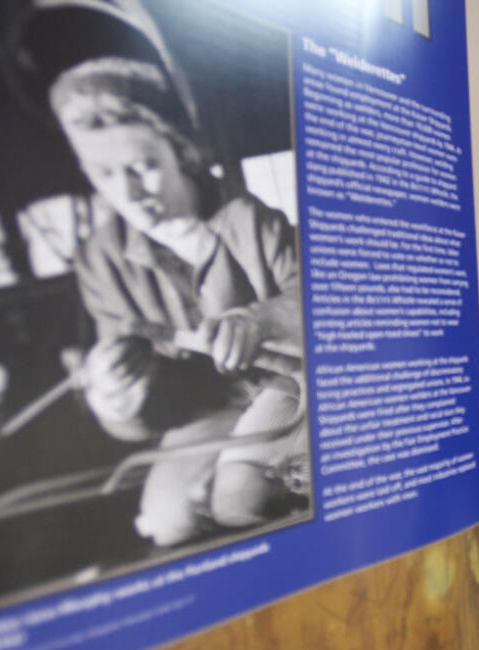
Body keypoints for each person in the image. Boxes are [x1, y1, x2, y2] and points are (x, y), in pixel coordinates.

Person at [49, 55, 307, 547]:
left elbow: (318, 305)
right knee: (167, 522)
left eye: (142, 168)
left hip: (287, 386)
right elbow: (139, 417)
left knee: (240, 496)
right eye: (103, 175)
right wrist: (118, 398)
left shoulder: (247, 219)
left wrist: (259, 319)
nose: (127, 193)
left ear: (181, 153)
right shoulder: (101, 259)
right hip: (204, 409)